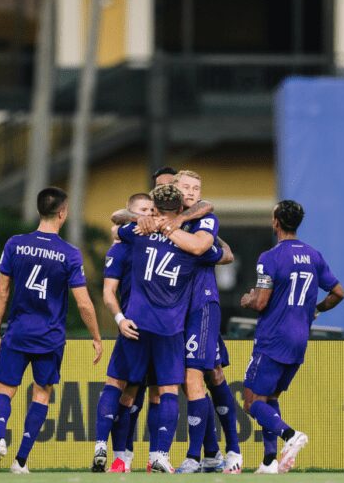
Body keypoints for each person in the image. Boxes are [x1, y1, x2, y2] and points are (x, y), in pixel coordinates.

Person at [0, 186, 103, 474]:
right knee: (41, 395)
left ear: (40, 211)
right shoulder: (70, 254)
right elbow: (83, 303)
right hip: (49, 337)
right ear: (62, 213)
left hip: (18, 331)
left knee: (4, 391)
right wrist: (96, 337)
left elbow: (2, 292)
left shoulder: (14, 244)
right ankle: (20, 461)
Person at [112, 184, 225, 473]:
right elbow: (219, 253)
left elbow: (117, 230)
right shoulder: (191, 240)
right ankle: (161, 454)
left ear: (155, 207)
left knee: (125, 388)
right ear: (180, 207)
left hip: (135, 319)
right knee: (170, 388)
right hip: (171, 324)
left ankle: (119, 455)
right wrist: (170, 227)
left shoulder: (138, 233)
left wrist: (144, 222)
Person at [240, 200, 344, 474]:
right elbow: (338, 293)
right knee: (270, 397)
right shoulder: (313, 255)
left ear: (276, 222)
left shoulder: (270, 257)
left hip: (273, 338)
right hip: (299, 339)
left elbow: (261, 302)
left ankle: (291, 436)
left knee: (251, 402)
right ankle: (269, 462)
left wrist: (248, 299)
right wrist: (315, 311)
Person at [163, 170, 242, 474]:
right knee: (211, 375)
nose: (193, 192)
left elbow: (202, 246)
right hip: (175, 310)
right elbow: (121, 219)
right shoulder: (160, 220)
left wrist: (178, 223)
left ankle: (200, 456)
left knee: (197, 377)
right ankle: (215, 453)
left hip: (201, 306)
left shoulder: (205, 220)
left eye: (196, 188)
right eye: (186, 187)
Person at [92, 192, 155, 473]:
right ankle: (111, 452)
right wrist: (119, 318)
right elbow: (108, 293)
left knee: (126, 391)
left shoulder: (157, 245)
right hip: (135, 326)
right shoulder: (121, 247)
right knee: (122, 389)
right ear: (132, 214)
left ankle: (115, 455)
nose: (148, 214)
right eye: (142, 209)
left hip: (155, 327)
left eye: (151, 210)